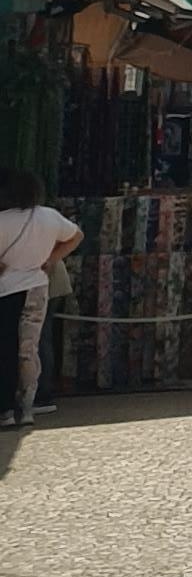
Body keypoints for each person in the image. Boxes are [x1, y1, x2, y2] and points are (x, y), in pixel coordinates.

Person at [0, 166, 81, 427]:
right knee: (29, 348)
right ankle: (28, 405)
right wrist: (51, 259)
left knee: (6, 347)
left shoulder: (3, 221)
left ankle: (6, 408)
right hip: (37, 286)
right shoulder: (49, 216)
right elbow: (76, 236)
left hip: (6, 289)